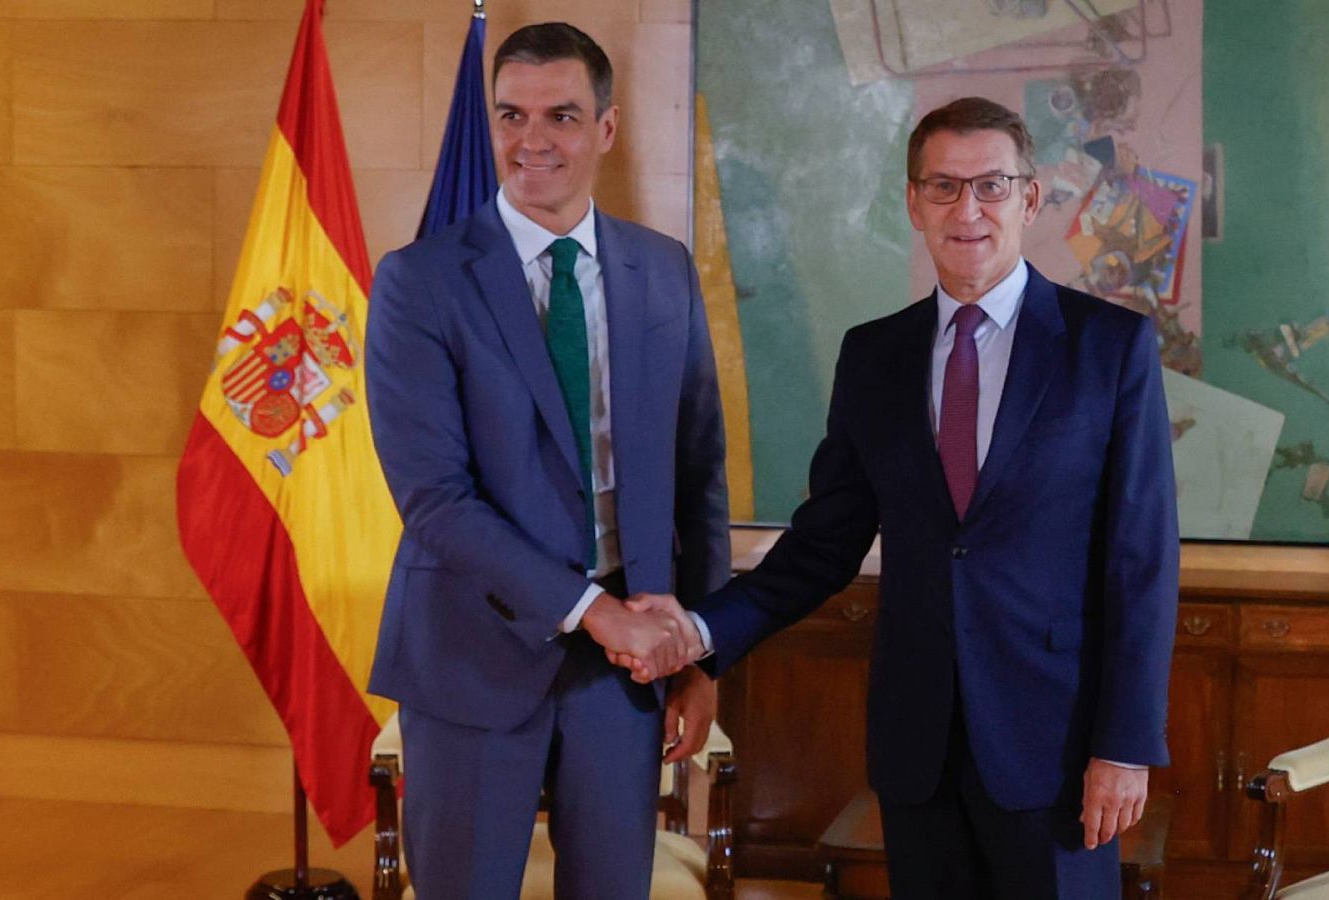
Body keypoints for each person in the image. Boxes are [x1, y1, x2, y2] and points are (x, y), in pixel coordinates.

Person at [623, 97, 1179, 898]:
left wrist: (1125, 746)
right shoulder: (873, 356)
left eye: (991, 186)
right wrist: (701, 632)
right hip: (919, 748)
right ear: (914, 202)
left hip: (1055, 748)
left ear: (1028, 198)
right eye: (945, 188)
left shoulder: (1110, 349)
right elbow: (823, 544)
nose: (969, 210)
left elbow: (1142, 561)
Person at [364, 21, 728, 900]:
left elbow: (698, 472)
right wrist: (597, 613)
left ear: (606, 128)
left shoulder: (662, 270)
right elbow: (437, 501)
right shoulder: (420, 282)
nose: (533, 140)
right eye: (511, 116)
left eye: (561, 115)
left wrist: (705, 655)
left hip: (627, 677)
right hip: (471, 658)